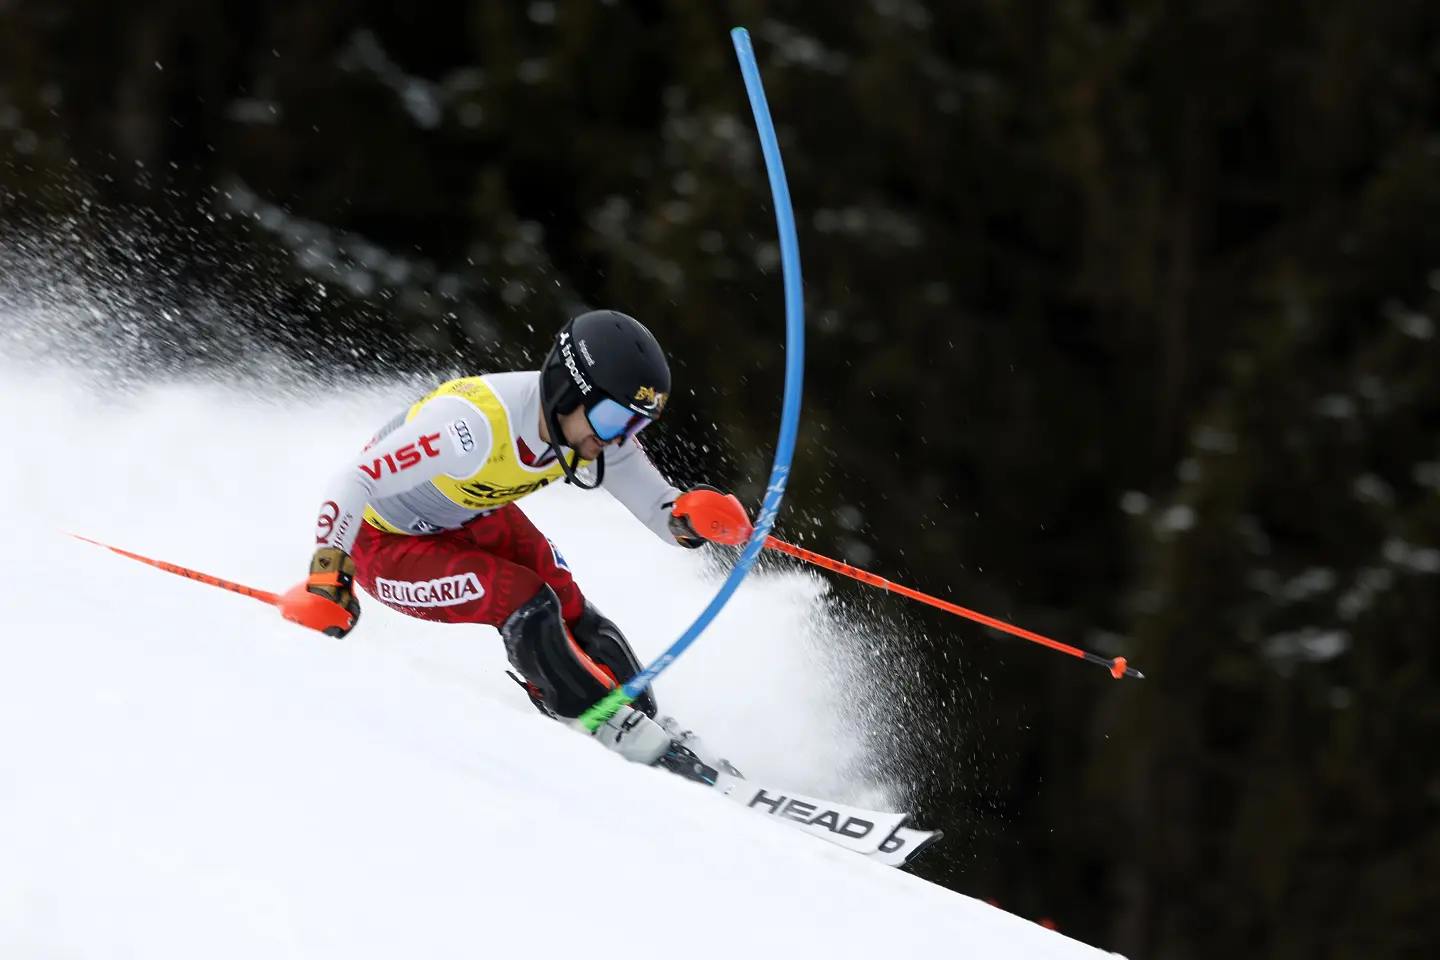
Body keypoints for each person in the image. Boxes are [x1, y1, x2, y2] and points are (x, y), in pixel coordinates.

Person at [278, 309, 753, 769]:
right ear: (568, 389)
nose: (619, 437)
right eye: (614, 419)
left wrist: (695, 519)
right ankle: (600, 724)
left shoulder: (591, 431)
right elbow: (354, 479)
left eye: (637, 424)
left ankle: (647, 723)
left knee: (564, 595)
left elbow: (661, 510)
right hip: (382, 545)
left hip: (466, 516)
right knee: (523, 598)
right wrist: (327, 579)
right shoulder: (471, 428)